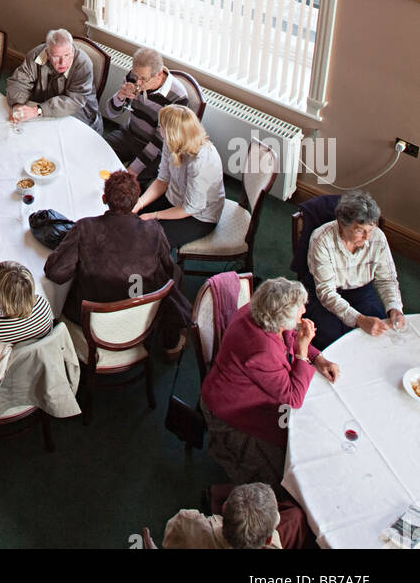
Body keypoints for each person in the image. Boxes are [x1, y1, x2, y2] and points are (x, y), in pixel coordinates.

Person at [201, 277, 339, 486]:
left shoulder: (258, 310)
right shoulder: (261, 350)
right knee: (284, 474)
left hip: (245, 385)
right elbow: (292, 398)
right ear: (279, 320)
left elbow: (289, 334)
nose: (304, 309)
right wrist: (302, 353)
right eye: (299, 307)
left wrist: (317, 358)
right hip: (231, 410)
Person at [43, 169, 190, 354]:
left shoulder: (85, 228)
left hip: (93, 322)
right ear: (137, 201)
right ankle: (171, 343)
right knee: (175, 274)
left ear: (104, 199)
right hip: (142, 318)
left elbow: (55, 273)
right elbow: (168, 270)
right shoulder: (154, 230)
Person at [305, 190, 405, 349]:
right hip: (325, 298)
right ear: (341, 223)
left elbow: (387, 280)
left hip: (362, 293)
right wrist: (359, 319)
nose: (367, 238)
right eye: (359, 230)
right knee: (336, 344)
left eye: (370, 230)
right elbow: (326, 293)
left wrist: (394, 308)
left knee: (382, 337)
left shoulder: (377, 237)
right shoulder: (321, 239)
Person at [132, 105, 225, 252]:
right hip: (174, 198)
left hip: (198, 217)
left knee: (148, 241)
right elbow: (162, 180)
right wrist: (140, 203)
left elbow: (190, 208)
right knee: (130, 218)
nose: (158, 128)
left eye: (160, 126)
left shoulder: (202, 162)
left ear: (172, 133)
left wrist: (154, 215)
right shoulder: (171, 143)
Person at [103, 47, 191, 178]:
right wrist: (120, 96)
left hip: (156, 150)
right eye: (136, 76)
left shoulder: (178, 97)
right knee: (98, 153)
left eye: (143, 79)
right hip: (129, 134)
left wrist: (132, 169)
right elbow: (111, 113)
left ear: (159, 74)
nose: (138, 82)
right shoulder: (132, 77)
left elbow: (160, 141)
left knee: (128, 186)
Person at [4, 28, 102, 132]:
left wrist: (38, 110)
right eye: (56, 56)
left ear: (72, 51)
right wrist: (18, 105)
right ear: (47, 53)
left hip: (79, 114)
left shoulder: (83, 64)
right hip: (44, 110)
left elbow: (75, 101)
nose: (62, 63)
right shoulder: (35, 54)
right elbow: (19, 82)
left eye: (67, 55)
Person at [162, 482, 283, 550]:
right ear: (268, 540)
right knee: (295, 518)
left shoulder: (186, 522)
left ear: (224, 507)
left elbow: (168, 541)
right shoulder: (273, 544)